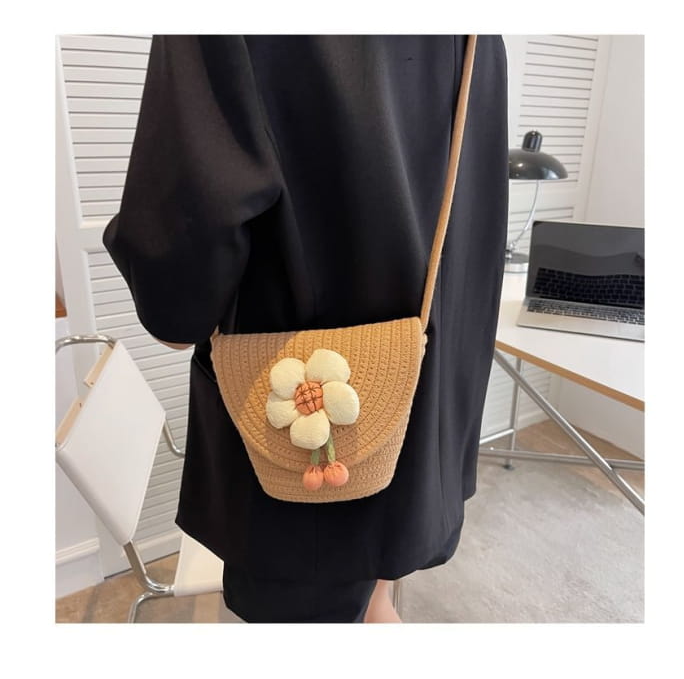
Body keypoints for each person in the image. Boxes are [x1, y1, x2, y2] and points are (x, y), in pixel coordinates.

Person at [103, 34, 509, 623]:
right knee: (375, 598)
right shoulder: (482, 34)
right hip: (426, 441)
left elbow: (176, 304)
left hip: (298, 502)